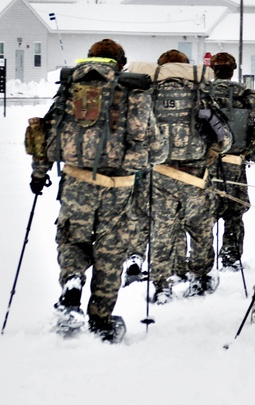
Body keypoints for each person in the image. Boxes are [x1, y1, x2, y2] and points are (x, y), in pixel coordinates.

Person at [26, 39, 166, 342]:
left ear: (92, 58)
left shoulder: (69, 88)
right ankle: (101, 320)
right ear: (120, 63)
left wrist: (39, 176)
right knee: (110, 252)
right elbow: (157, 149)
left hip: (76, 183)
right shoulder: (132, 91)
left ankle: (73, 279)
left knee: (73, 239)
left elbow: (46, 137)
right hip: (118, 187)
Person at [146, 49, 233, 304]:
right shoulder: (199, 95)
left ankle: (162, 284)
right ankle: (200, 277)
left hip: (160, 174)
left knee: (162, 231)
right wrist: (214, 151)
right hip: (195, 175)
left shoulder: (149, 96)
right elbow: (224, 138)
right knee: (200, 229)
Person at [206, 52, 255, 270]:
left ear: (213, 69)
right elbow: (250, 132)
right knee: (234, 213)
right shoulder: (246, 95)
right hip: (235, 163)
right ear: (233, 70)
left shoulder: (203, 92)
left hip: (205, 163)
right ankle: (230, 258)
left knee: (205, 213)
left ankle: (202, 260)